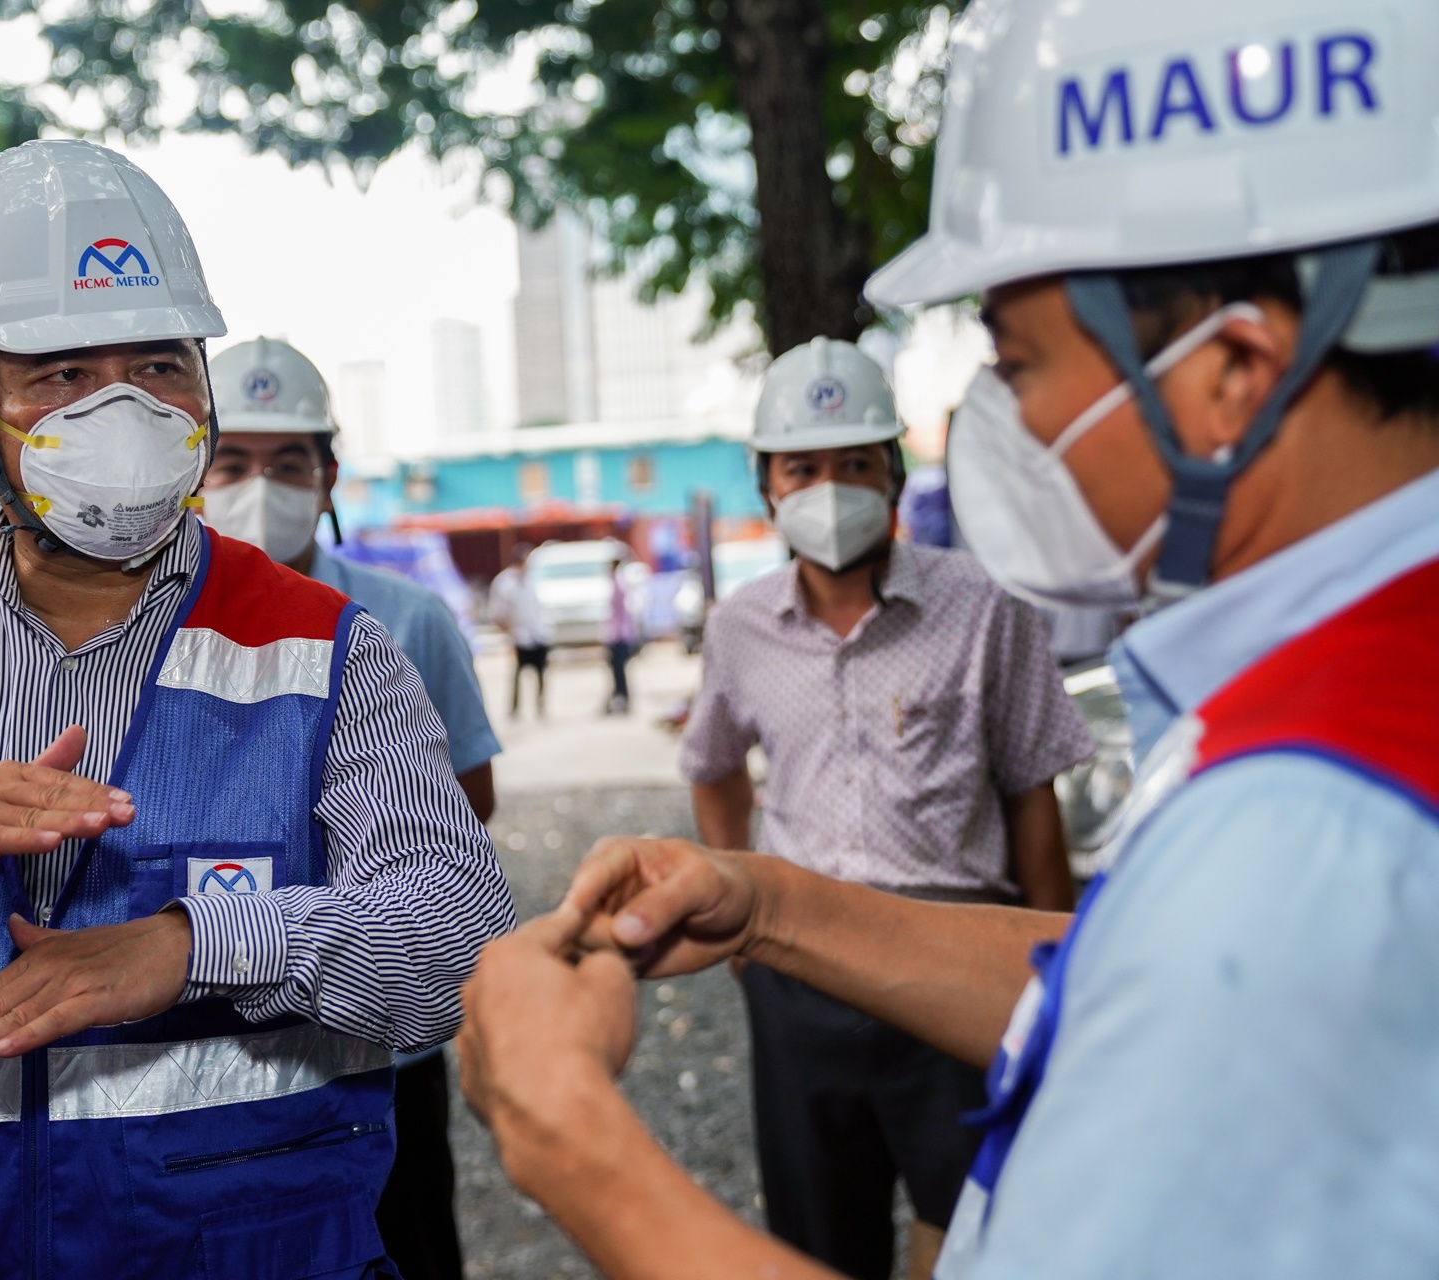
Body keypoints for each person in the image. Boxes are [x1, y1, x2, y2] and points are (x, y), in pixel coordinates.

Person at [454, 0, 1439, 1276]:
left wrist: (566, 1130)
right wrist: (769, 905)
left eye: (1018, 366)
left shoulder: (1303, 823)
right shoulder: (1350, 700)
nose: (1005, 424)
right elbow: (1133, 981)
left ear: (1229, 373)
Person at [0, 139, 514, 1278]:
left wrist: (198, 942)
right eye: (59, 373)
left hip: (242, 1250)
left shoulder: (325, 646)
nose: (123, 409)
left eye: (158, 364)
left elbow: (460, 938)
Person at [680, 335, 1089, 1278]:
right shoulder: (739, 627)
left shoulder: (986, 606)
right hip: (801, 959)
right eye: (804, 467)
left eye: (856, 463)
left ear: (896, 475)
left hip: (955, 949)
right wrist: (745, 916)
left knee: (984, 1224)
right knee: (819, 1230)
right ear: (767, 485)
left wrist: (1051, 952)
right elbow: (711, 765)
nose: (830, 489)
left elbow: (1034, 790)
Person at [202, 335, 502, 1280]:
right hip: (216, 1028)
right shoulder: (148, 625)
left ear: (329, 476)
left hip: (380, 1034)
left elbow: (470, 801)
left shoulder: (406, 620)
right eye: (233, 462)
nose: (261, 485)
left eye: (288, 462)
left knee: (403, 1242)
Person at [489, 544, 550, 716]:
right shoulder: (504, 582)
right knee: (517, 674)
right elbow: (499, 613)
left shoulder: (532, 580)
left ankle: (540, 705)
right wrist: (508, 635)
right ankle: (515, 708)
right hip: (519, 635)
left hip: (537, 633)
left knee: (540, 673)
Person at [602, 553, 638, 715]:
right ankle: (620, 697)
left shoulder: (618, 584)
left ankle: (621, 698)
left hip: (619, 635)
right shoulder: (618, 583)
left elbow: (619, 614)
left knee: (619, 670)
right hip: (619, 633)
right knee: (617, 670)